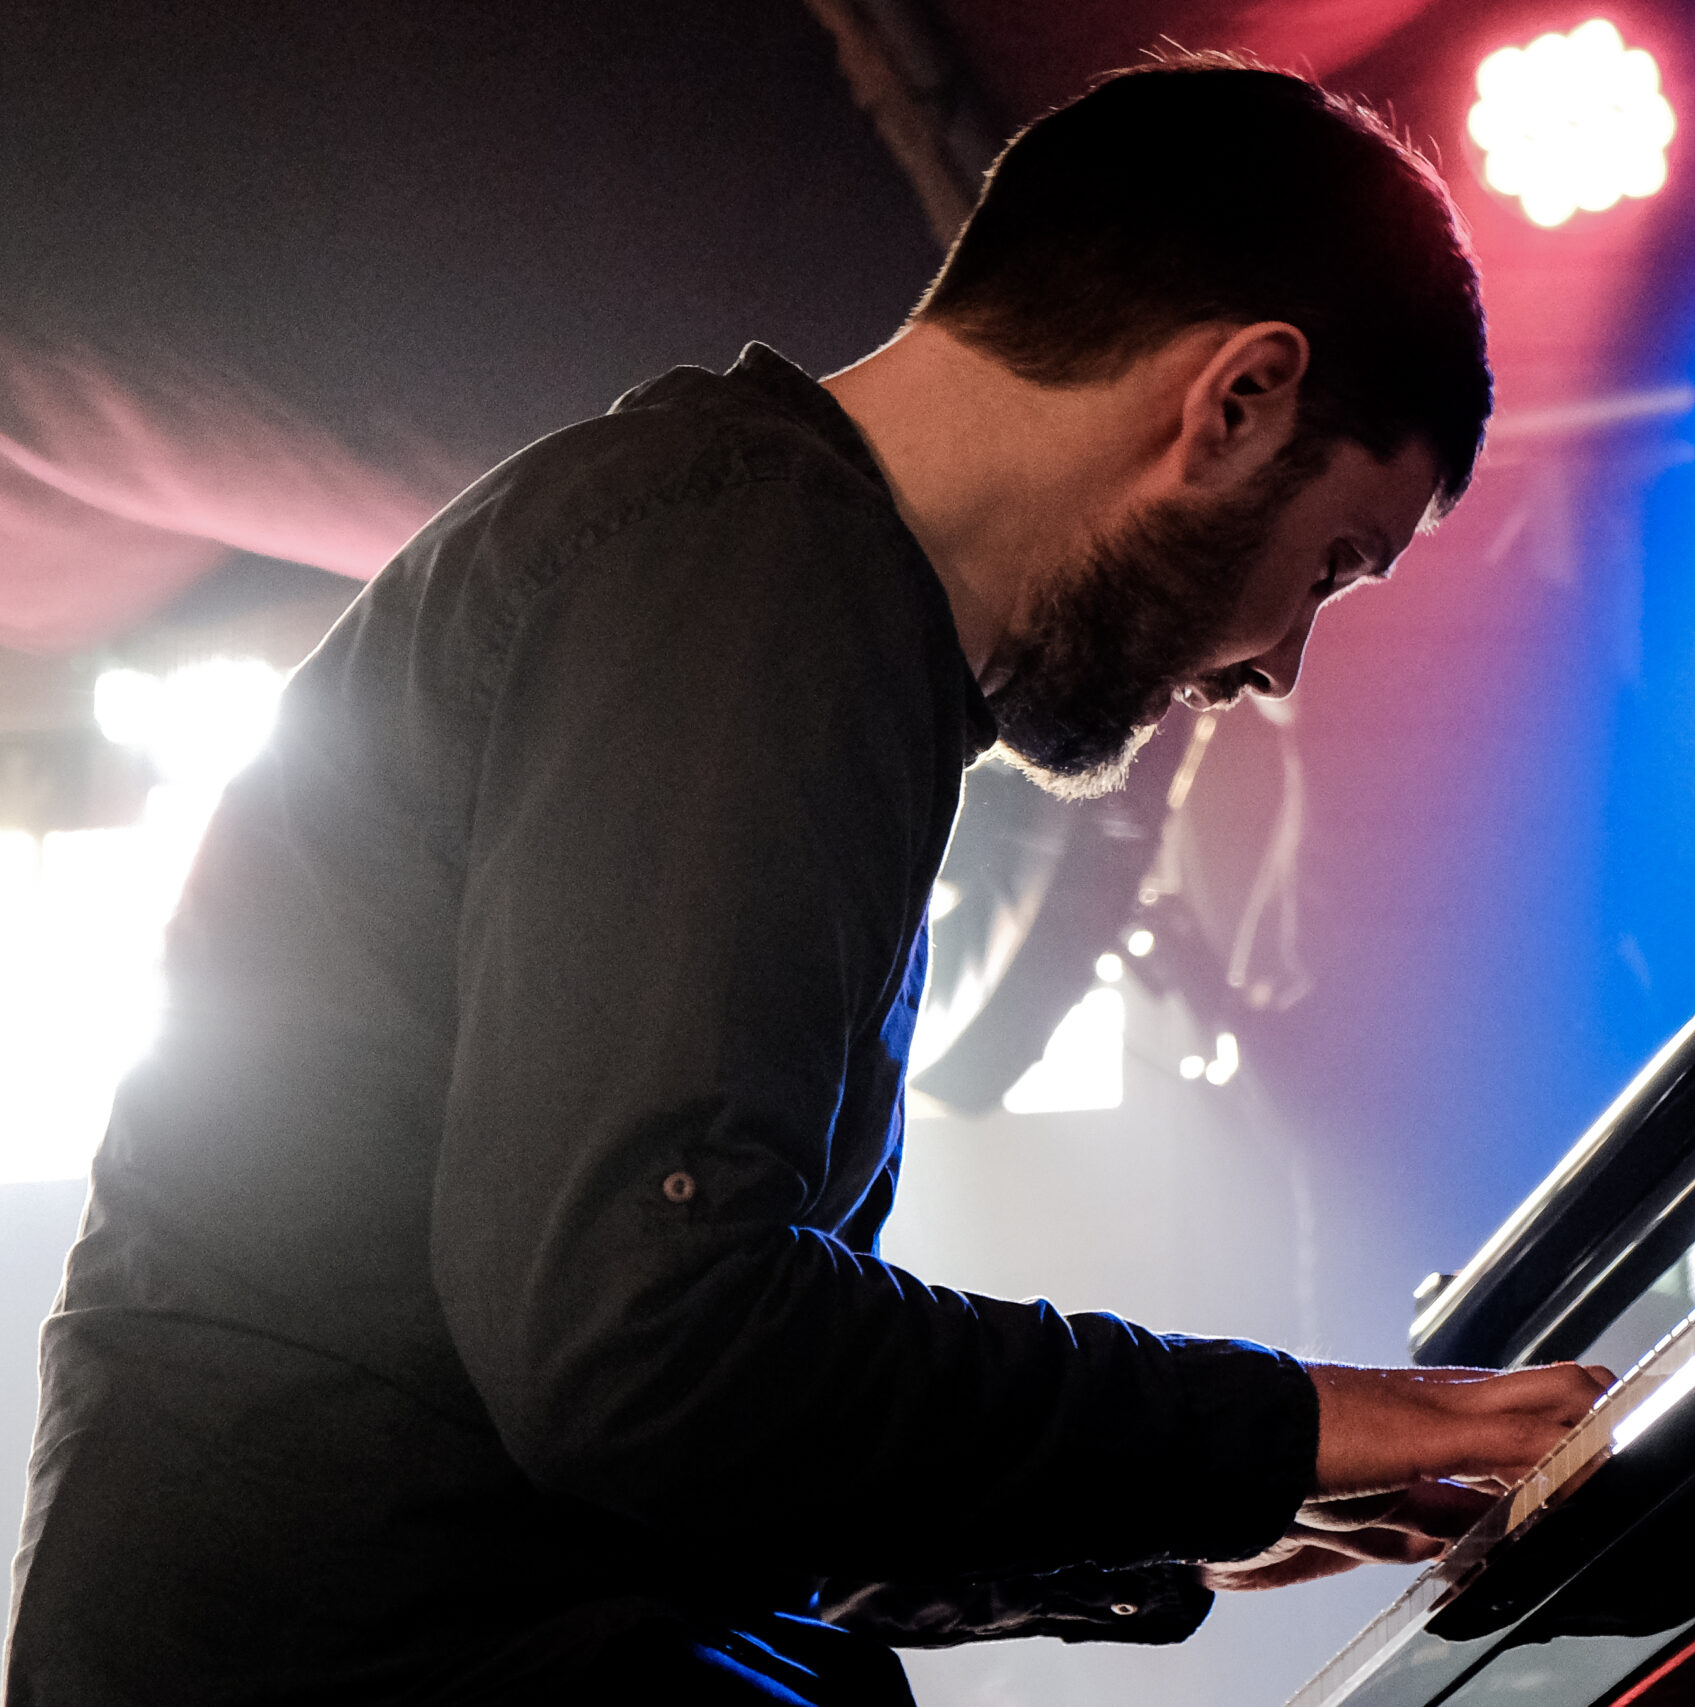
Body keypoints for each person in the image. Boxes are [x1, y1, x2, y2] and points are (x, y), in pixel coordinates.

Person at [4, 58, 1608, 1706]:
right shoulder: (749, 575)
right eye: (1332, 565)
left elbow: (671, 1425)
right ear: (1239, 396)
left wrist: (1180, 1509)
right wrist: (1284, 1417)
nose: (1276, 663)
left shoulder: (772, 587)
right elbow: (653, 1347)